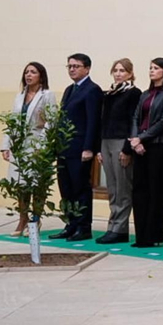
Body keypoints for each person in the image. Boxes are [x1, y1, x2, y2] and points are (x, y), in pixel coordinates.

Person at [49, 54, 102, 241]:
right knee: (66, 188)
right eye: (69, 66)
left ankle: (83, 226)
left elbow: (93, 121)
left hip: (80, 149)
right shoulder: (69, 90)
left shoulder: (92, 90)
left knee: (80, 188)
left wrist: (89, 148)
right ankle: (70, 224)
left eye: (76, 66)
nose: (72, 69)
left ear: (87, 69)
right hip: (65, 148)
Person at [127, 59, 163, 247]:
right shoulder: (145, 94)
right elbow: (135, 117)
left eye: (156, 68)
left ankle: (153, 235)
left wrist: (143, 138)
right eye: (150, 68)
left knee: (156, 190)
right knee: (139, 190)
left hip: (157, 146)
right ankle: (141, 235)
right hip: (139, 147)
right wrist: (135, 139)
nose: (152, 71)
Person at [1, 62, 54, 237]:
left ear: (41, 76)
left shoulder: (47, 95)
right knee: (19, 185)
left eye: (33, 72)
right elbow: (12, 121)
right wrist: (6, 145)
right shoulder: (19, 96)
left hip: (37, 145)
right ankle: (22, 219)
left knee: (36, 184)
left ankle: (35, 219)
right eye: (26, 72)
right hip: (19, 145)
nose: (28, 75)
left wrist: (42, 146)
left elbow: (51, 121)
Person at [96, 60, 140, 244]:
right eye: (115, 70)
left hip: (121, 142)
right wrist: (98, 148)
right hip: (106, 141)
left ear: (130, 73)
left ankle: (120, 227)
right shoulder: (110, 94)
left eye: (122, 71)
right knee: (112, 187)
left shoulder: (133, 93)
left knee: (123, 187)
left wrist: (127, 148)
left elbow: (134, 121)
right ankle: (112, 225)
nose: (118, 73)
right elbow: (102, 120)